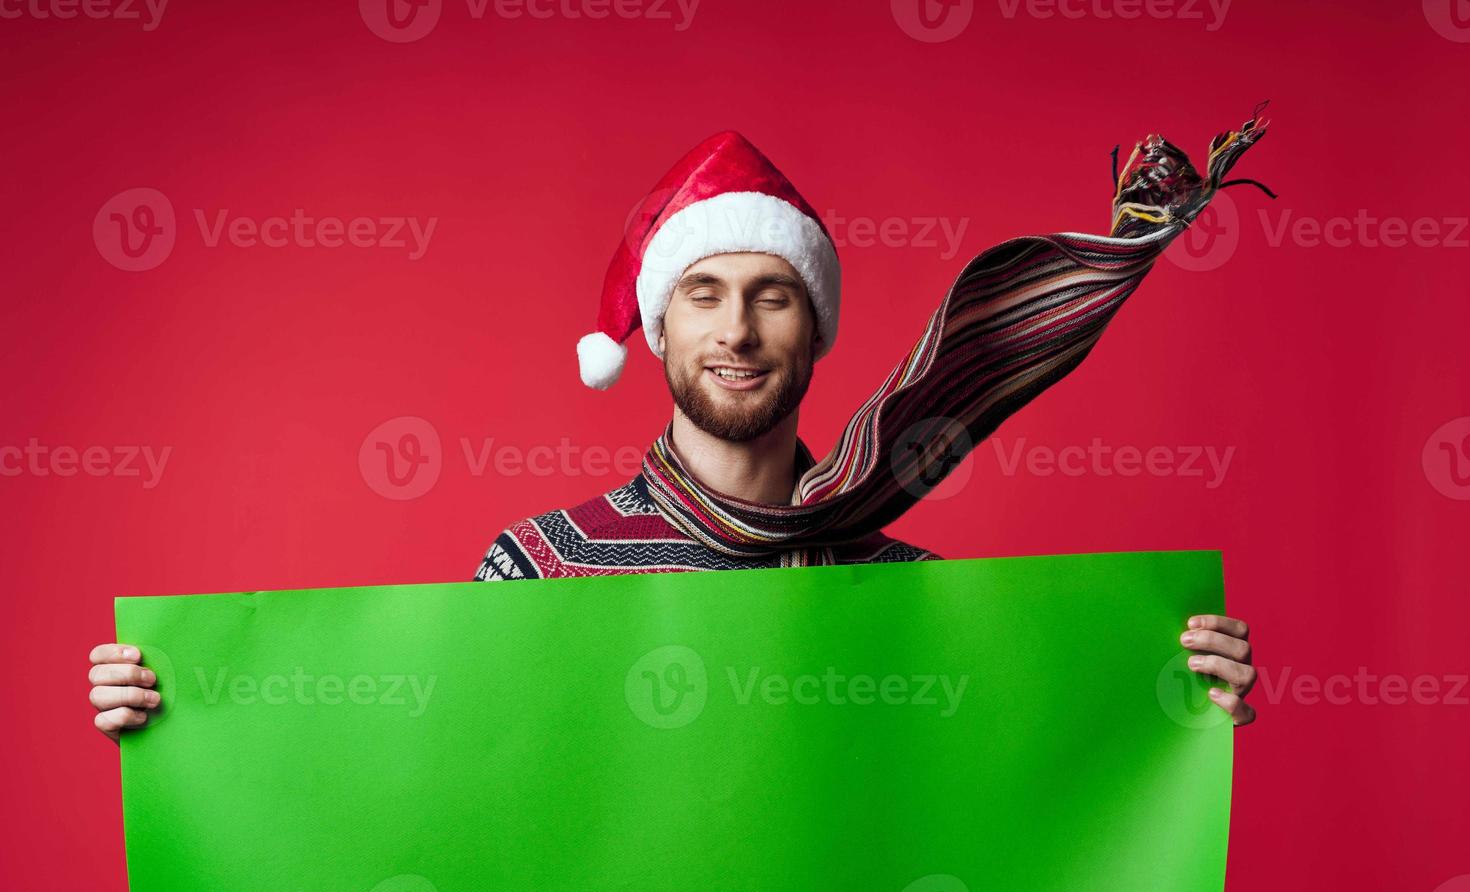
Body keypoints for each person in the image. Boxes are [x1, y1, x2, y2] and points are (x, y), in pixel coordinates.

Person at [89, 125, 1263, 739]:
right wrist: (193, 709)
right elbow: (423, 767)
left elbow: (1017, 792)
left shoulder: (910, 596)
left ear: (816, 332)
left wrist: (1168, 706)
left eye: (773, 293)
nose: (737, 330)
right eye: (701, 293)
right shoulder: (535, 569)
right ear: (655, 329)